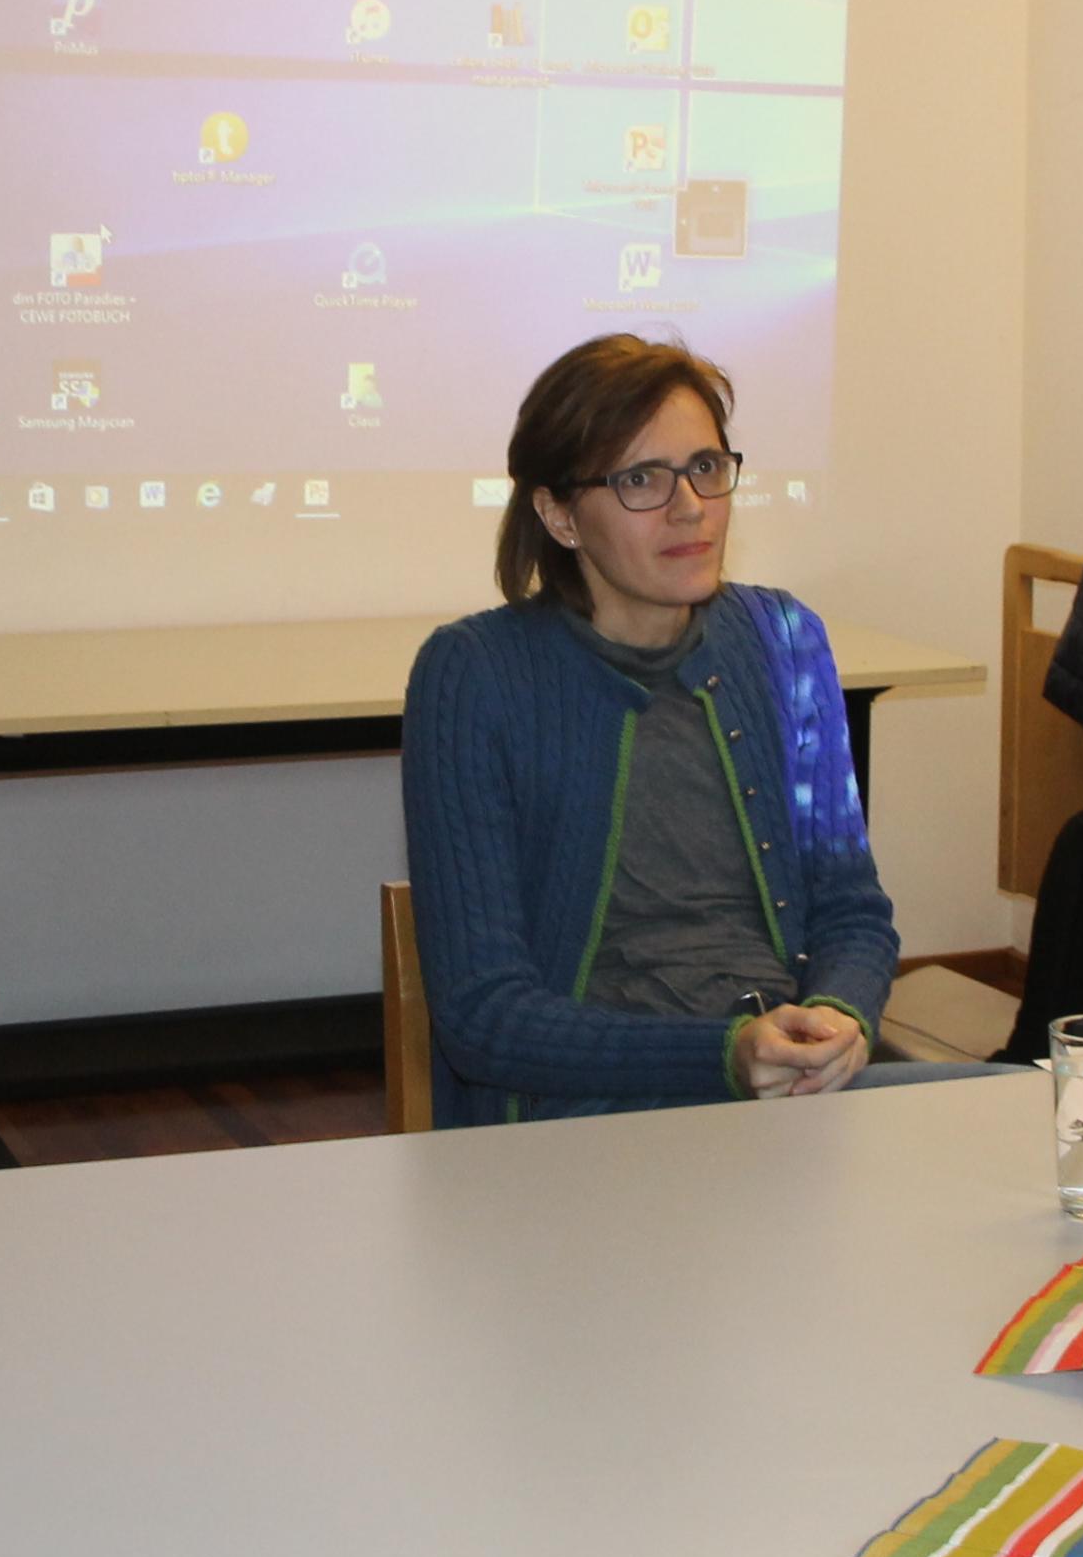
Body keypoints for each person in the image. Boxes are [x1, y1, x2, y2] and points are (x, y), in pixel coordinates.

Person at [403, 336, 964, 1125]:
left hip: (784, 1093)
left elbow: (851, 909)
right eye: (640, 479)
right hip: (588, 1115)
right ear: (559, 515)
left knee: (1049, 1116)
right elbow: (484, 1017)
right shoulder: (475, 674)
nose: (691, 506)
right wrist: (723, 1055)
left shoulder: (786, 639)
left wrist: (837, 1017)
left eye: (705, 467)